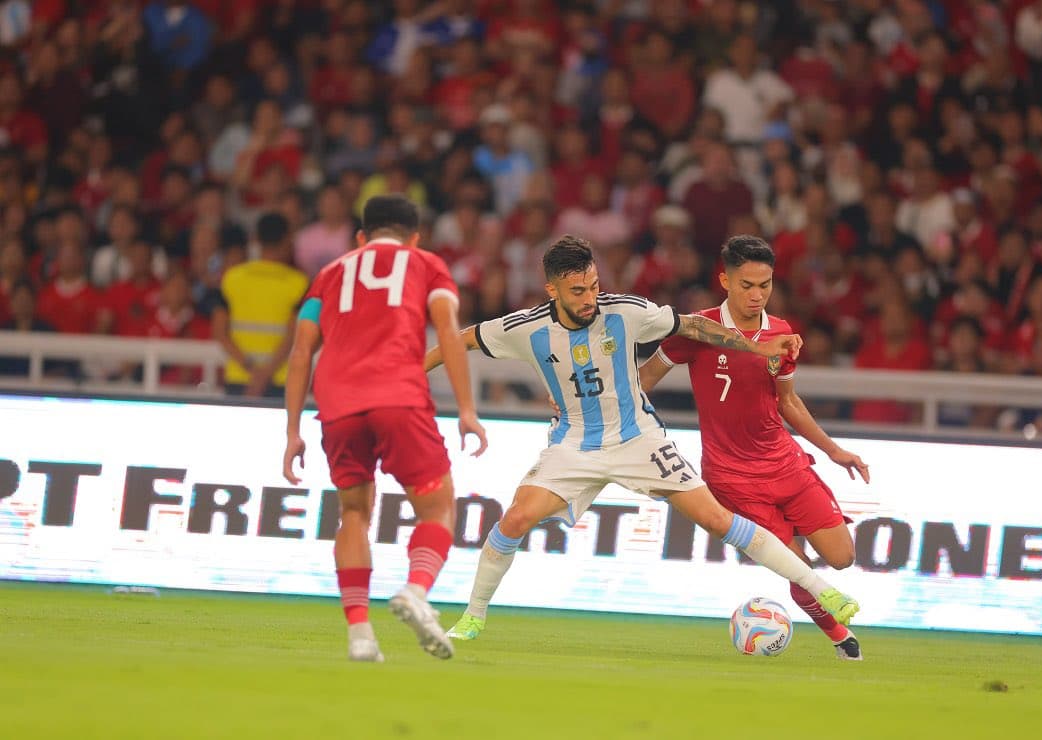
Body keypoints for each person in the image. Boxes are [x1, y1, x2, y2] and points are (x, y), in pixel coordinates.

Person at [424, 236, 860, 642]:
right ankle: (474, 615)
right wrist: (410, 372)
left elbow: (691, 326)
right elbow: (459, 340)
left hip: (640, 441)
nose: (590, 298)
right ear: (552, 290)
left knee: (716, 520)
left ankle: (822, 590)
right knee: (516, 519)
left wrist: (753, 345)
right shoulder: (526, 328)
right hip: (573, 445)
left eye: (594, 286)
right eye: (578, 291)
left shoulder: (625, 310)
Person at [639, 235, 869, 661]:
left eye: (765, 285)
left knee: (842, 557)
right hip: (733, 479)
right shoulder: (697, 329)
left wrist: (835, 450)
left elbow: (788, 402)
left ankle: (793, 536)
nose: (757, 294)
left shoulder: (781, 334)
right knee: (799, 569)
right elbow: (644, 380)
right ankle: (841, 638)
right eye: (747, 284)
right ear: (724, 279)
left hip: (786, 465)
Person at [282, 194, 488, 663]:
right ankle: (416, 591)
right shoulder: (426, 265)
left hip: (337, 403)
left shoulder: (329, 275)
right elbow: (449, 333)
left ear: (361, 237)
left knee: (352, 512)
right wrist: (467, 409)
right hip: (398, 396)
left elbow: (300, 351)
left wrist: (292, 430)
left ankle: (359, 635)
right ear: (414, 238)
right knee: (437, 509)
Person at [212, 212, 307, 397]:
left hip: (239, 377)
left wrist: (251, 370)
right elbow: (295, 335)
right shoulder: (299, 283)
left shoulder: (231, 277)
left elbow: (219, 332)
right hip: (280, 379)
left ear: (256, 239)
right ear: (287, 239)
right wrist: (265, 374)